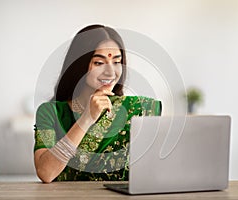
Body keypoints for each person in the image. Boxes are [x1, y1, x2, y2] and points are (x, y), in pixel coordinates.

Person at [34, 24, 162, 183]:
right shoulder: (50, 112)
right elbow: (46, 173)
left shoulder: (138, 109)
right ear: (79, 65)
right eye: (99, 63)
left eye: (116, 62)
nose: (110, 72)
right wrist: (87, 118)